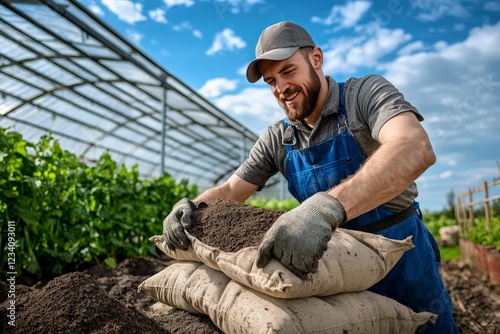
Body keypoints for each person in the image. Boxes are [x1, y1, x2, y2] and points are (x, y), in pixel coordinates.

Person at [163, 21, 459, 333]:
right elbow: (231, 189)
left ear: (316, 58)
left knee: (427, 325)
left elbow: (414, 146)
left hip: (402, 260)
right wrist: (192, 206)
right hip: (332, 266)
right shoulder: (279, 138)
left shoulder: (365, 95)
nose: (281, 88)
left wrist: (327, 207)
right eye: (271, 81)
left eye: (288, 71)